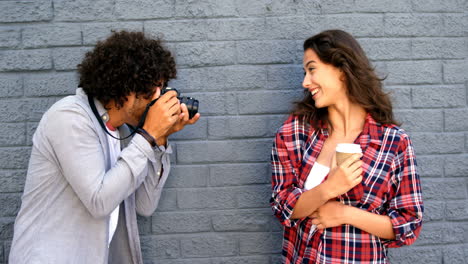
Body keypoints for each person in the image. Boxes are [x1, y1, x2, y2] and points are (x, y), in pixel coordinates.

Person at [9, 30, 200, 264]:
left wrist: (159, 140)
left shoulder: (121, 133)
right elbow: (99, 201)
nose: (157, 101)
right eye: (152, 91)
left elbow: (144, 204)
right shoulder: (70, 117)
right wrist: (148, 135)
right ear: (126, 89)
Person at [270, 29, 423, 263]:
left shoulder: (393, 142)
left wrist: (345, 214)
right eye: (305, 72)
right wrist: (329, 189)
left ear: (342, 69)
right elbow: (282, 207)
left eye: (312, 69)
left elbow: (408, 225)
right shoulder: (295, 133)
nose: (305, 82)